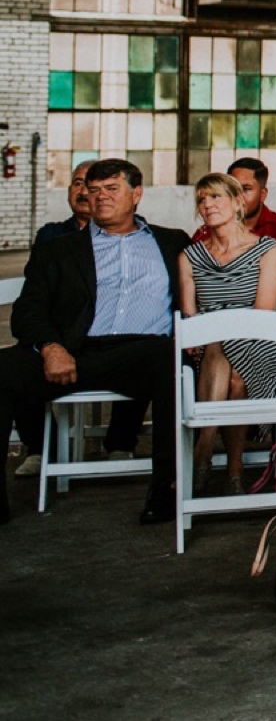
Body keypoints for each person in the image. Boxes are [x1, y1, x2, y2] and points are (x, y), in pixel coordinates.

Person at [0, 159, 190, 526]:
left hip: (142, 353)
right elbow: (27, 311)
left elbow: (215, 276)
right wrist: (52, 347)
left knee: (171, 361)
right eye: (94, 189)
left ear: (136, 194)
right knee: (3, 368)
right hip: (74, 352)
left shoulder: (172, 241)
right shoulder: (59, 249)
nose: (99, 197)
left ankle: (164, 490)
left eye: (111, 189)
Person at [19, 165, 143, 478]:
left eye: (105, 188)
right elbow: (37, 297)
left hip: (114, 339)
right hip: (64, 333)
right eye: (79, 184)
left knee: (144, 341)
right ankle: (38, 447)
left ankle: (120, 443)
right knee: (26, 350)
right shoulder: (52, 238)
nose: (86, 192)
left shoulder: (139, 240)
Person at [176, 172, 276, 496]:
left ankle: (203, 448)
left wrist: (216, 328)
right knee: (227, 364)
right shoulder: (190, 256)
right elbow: (190, 315)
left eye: (215, 197)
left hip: (261, 342)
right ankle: (234, 472)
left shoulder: (267, 248)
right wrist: (204, 333)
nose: (207, 204)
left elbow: (264, 313)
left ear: (238, 203)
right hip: (211, 355)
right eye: (202, 199)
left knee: (220, 339)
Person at [192, 157, 276, 310]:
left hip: (274, 320)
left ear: (263, 194)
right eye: (231, 189)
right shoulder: (204, 234)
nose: (238, 196)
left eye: (246, 189)